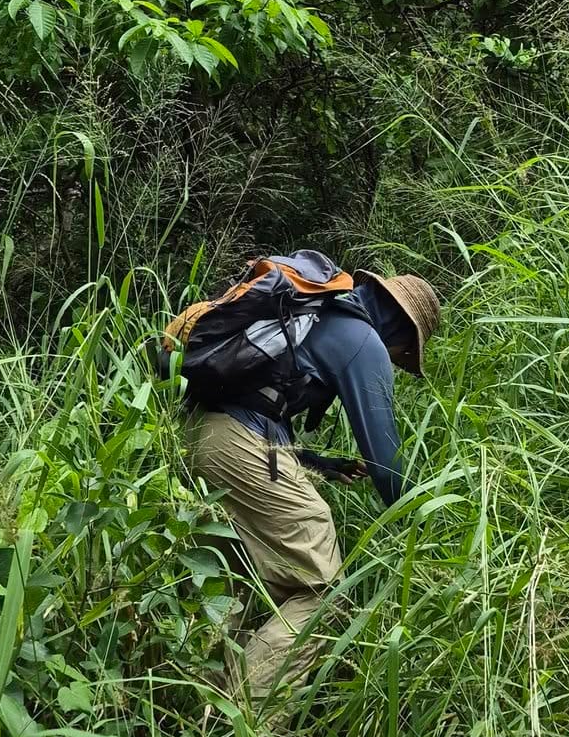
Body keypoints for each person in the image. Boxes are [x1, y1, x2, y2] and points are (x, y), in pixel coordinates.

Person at [189, 267, 441, 710]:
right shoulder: (363, 339)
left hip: (199, 433)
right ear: (400, 330)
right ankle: (243, 726)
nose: (396, 359)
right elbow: (386, 465)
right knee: (323, 592)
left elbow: (259, 403)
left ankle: (194, 713)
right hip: (241, 445)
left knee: (233, 587)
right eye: (402, 353)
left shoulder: (315, 316)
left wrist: (318, 463)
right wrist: (427, 519)